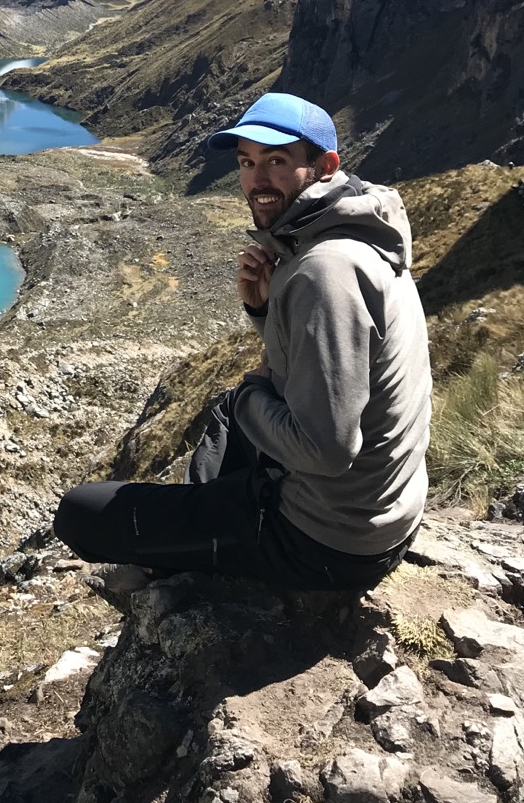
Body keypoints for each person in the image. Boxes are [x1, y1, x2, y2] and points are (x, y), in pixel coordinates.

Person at [54, 91, 432, 595]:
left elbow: (325, 451)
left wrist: (252, 394)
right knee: (235, 412)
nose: (257, 180)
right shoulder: (357, 235)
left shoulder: (326, 270)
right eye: (247, 162)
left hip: (326, 543)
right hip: (383, 513)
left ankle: (195, 550)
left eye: (277, 161)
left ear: (324, 166)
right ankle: (207, 525)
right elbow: (324, 366)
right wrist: (263, 311)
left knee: (80, 513)